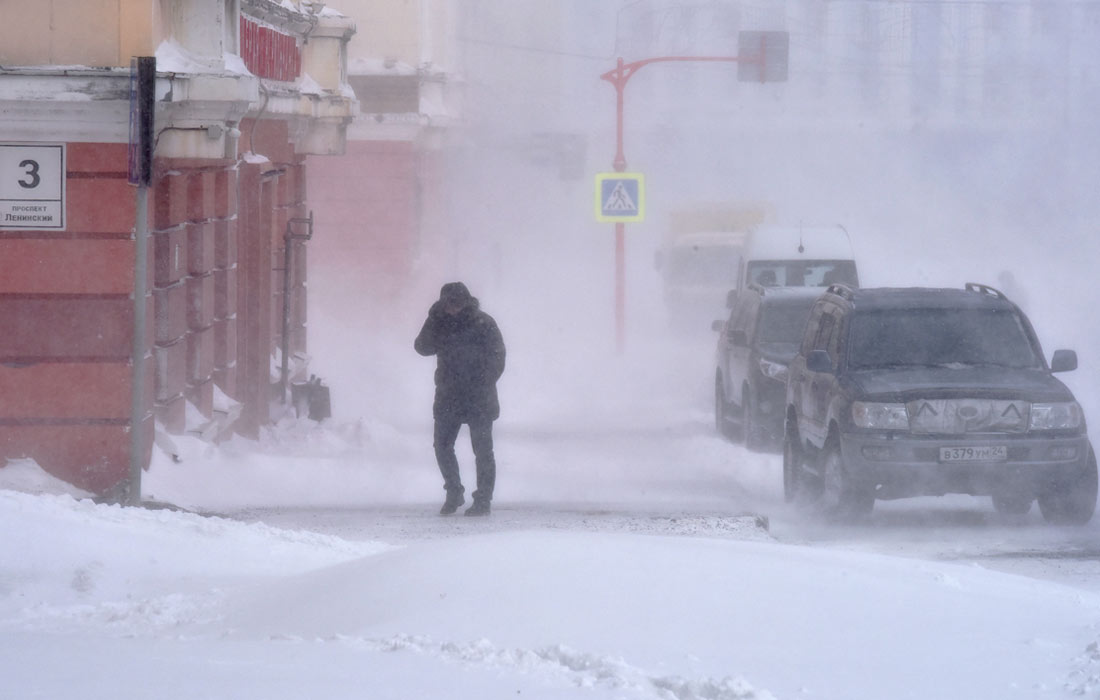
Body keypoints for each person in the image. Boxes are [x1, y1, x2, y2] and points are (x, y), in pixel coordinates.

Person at [414, 282, 506, 516]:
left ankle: (483, 500)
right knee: (442, 446)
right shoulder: (439, 322)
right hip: (448, 395)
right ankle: (453, 492)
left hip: (479, 397)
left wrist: (483, 380)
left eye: (457, 303)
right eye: (448, 304)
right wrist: (433, 318)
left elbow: (498, 356)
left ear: (466, 301)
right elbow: (422, 347)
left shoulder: (483, 323)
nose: (453, 308)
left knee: (483, 450)